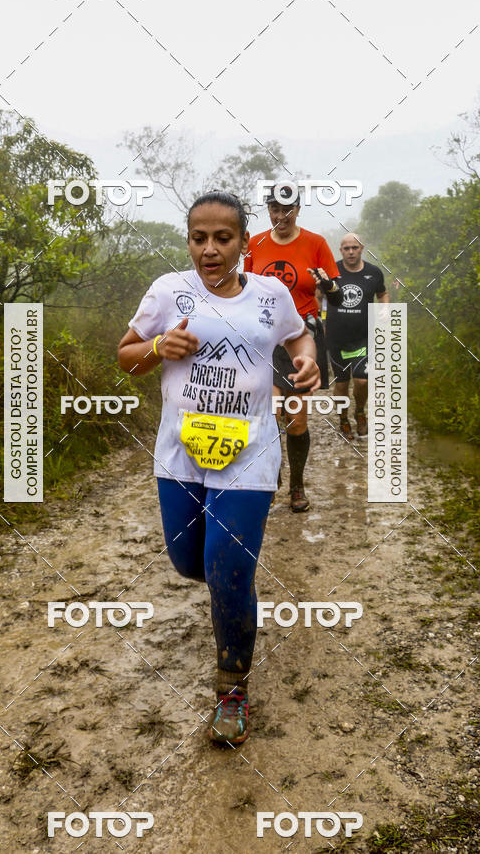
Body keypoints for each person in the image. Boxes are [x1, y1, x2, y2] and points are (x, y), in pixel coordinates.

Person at [118, 191, 320, 745]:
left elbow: (298, 334)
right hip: (180, 453)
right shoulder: (168, 291)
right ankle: (234, 594)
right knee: (191, 562)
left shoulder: (270, 294)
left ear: (243, 242)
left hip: (249, 453)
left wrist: (306, 359)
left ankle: (232, 690)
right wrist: (159, 346)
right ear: (188, 241)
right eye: (199, 238)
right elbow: (127, 356)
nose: (210, 249)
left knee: (228, 569)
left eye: (222, 238)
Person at [244, 182, 343, 512]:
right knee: (269, 415)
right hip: (264, 339)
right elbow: (243, 289)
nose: (281, 216)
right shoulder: (255, 244)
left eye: (287, 209)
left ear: (298, 209)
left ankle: (297, 486)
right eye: (275, 209)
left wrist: (328, 286)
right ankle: (271, 479)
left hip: (302, 337)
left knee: (297, 420)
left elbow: (336, 295)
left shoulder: (316, 243)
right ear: (269, 210)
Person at [325, 232, 390, 440]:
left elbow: (382, 294)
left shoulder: (374, 272)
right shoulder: (332, 272)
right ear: (341, 250)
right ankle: (343, 418)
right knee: (342, 384)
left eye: (355, 247)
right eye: (347, 248)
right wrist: (317, 319)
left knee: (362, 381)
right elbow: (317, 296)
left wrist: (385, 309)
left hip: (364, 337)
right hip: (336, 339)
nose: (351, 252)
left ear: (362, 248)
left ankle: (360, 412)